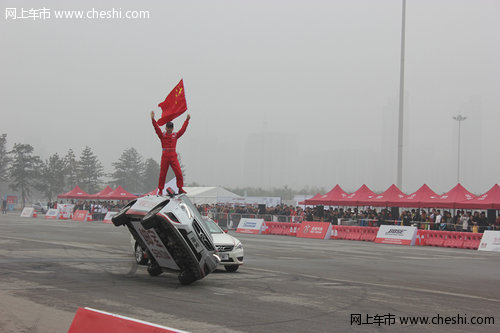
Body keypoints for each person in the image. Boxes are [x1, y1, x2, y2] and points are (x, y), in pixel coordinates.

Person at [151, 111, 190, 194]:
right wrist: (153, 119)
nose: (169, 129)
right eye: (168, 127)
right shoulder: (162, 135)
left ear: (172, 128)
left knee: (179, 173)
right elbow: (156, 129)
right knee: (162, 174)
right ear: (166, 128)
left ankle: (180, 188)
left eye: (171, 128)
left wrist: (187, 120)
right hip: (165, 155)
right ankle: (160, 190)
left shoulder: (175, 135)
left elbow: (182, 130)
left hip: (173, 155)